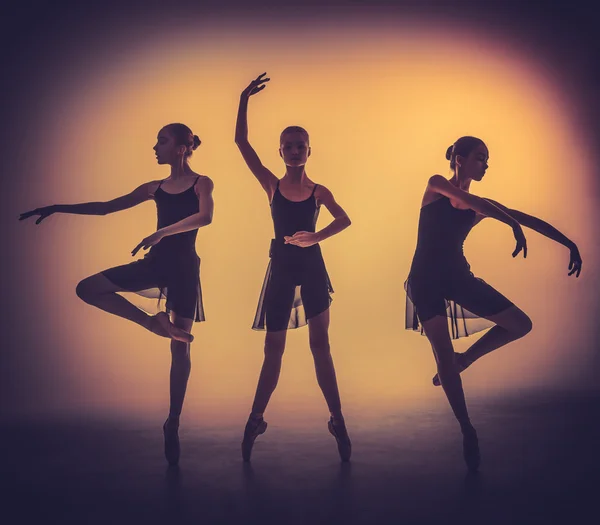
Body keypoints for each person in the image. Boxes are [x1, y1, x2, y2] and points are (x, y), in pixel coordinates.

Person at [19, 123, 214, 466]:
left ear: (182, 148)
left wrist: (161, 232)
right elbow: (105, 207)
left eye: (162, 141)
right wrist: (56, 207)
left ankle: (173, 422)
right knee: (88, 287)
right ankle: (153, 324)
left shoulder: (202, 183)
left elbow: (205, 217)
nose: (155, 146)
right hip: (155, 264)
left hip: (184, 270)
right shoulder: (154, 187)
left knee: (180, 350)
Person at [405, 135, 582, 471]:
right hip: (425, 280)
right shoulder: (437, 185)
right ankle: (467, 429)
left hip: (458, 277)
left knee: (520, 324)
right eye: (480, 157)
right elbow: (487, 209)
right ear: (459, 158)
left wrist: (568, 242)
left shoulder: (480, 205)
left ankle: (465, 359)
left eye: (487, 160)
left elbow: (528, 219)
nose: (485, 164)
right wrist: (510, 223)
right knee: (441, 355)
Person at [235, 73, 353, 462]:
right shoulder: (271, 185)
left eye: (300, 145)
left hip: (313, 269)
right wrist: (243, 99)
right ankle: (255, 420)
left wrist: (315, 237)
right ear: (281, 152)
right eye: (288, 145)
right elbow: (241, 143)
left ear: (308, 151)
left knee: (321, 345)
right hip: (282, 269)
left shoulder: (320, 191)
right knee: (274, 348)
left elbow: (343, 219)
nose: (294, 150)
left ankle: (337, 419)